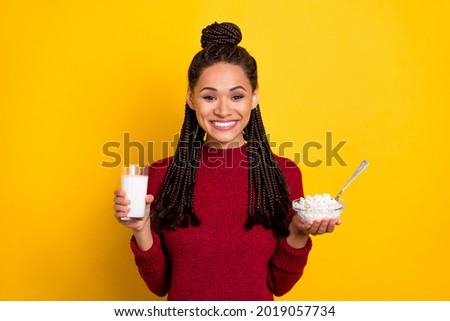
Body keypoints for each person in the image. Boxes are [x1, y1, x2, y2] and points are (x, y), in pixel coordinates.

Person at [113, 22, 341, 301]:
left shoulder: (283, 174)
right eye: (209, 96)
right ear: (191, 98)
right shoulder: (162, 175)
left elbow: (279, 286)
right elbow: (161, 285)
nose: (223, 110)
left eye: (236, 96)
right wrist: (141, 229)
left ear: (254, 97)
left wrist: (298, 232)